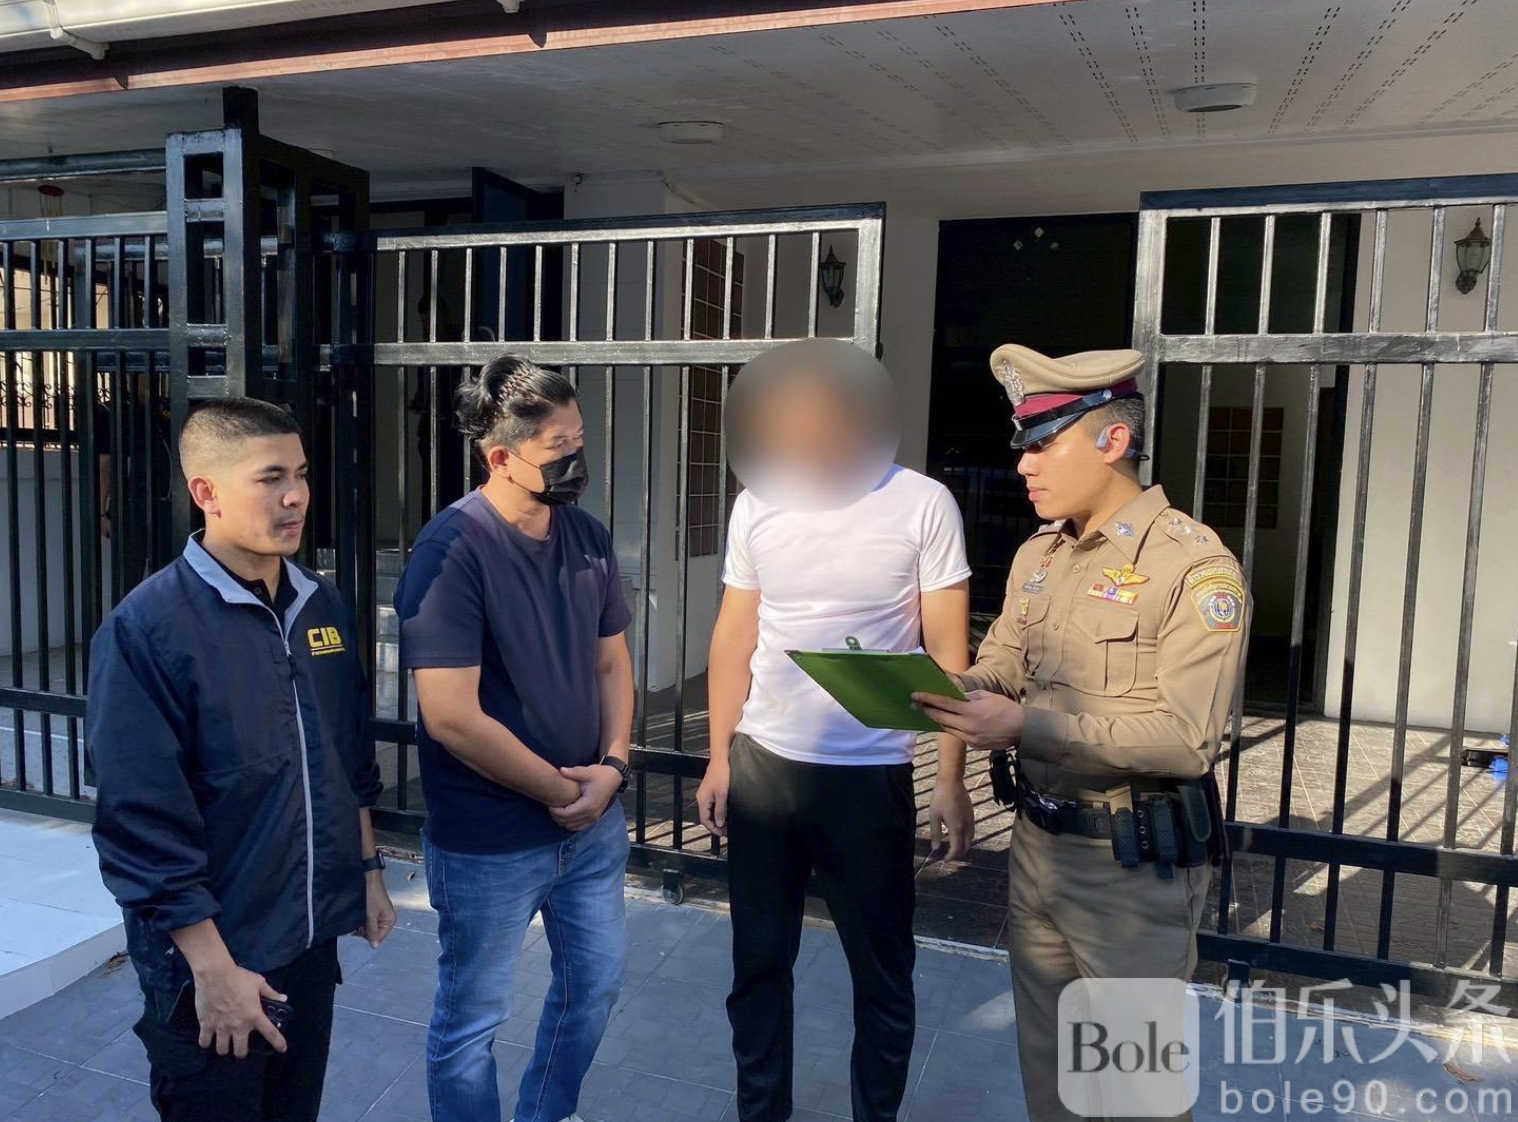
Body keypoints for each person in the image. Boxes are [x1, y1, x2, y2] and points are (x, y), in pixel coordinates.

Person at [914, 344, 1250, 1122]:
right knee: (1055, 1080)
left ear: (1112, 440)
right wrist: (941, 688)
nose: (1023, 465)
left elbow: (1187, 737)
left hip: (1129, 869)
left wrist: (1024, 725)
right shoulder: (1042, 554)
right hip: (1038, 851)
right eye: (1023, 446)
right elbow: (1002, 664)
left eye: (1042, 444)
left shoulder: (1192, 567)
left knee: (1135, 1093)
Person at [88, 397, 396, 1122]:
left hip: (307, 942)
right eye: (270, 478)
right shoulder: (147, 629)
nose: (296, 496)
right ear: (207, 492)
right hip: (212, 959)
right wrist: (213, 968)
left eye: (301, 474)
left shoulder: (321, 605)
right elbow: (140, 822)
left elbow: (347, 757)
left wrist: (368, 872)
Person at [696, 339, 975, 1122]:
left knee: (882, 975)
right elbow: (734, 637)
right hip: (765, 768)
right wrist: (718, 758)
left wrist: (950, 779)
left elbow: (949, 655)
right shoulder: (758, 503)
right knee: (758, 967)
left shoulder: (922, 504)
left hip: (869, 778)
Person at [394, 356, 634, 1122]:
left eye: (579, 439)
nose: (576, 458)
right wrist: (566, 791)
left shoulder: (587, 537)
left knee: (594, 986)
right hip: (490, 840)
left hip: (591, 827)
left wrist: (614, 767)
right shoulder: (451, 551)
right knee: (472, 1022)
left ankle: (545, 1112)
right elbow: (452, 717)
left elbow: (612, 663)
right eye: (558, 446)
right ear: (500, 456)